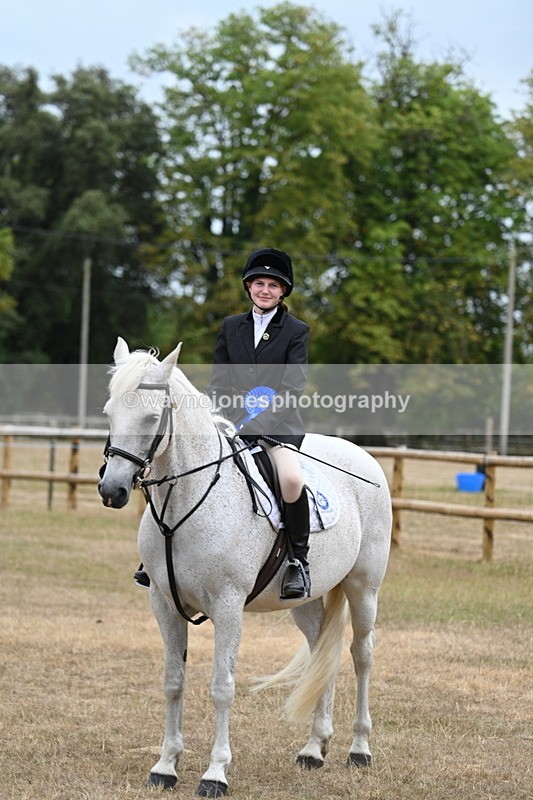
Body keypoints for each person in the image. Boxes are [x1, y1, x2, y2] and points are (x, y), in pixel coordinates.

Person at [206, 247, 311, 599]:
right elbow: (219, 383)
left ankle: (298, 561)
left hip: (278, 427)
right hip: (232, 422)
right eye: (259, 283)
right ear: (249, 286)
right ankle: (162, 552)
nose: (265, 290)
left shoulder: (296, 331)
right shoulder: (231, 326)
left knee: (292, 478)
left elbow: (292, 388)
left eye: (273, 285)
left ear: (283, 292)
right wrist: (230, 418)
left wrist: (257, 423)